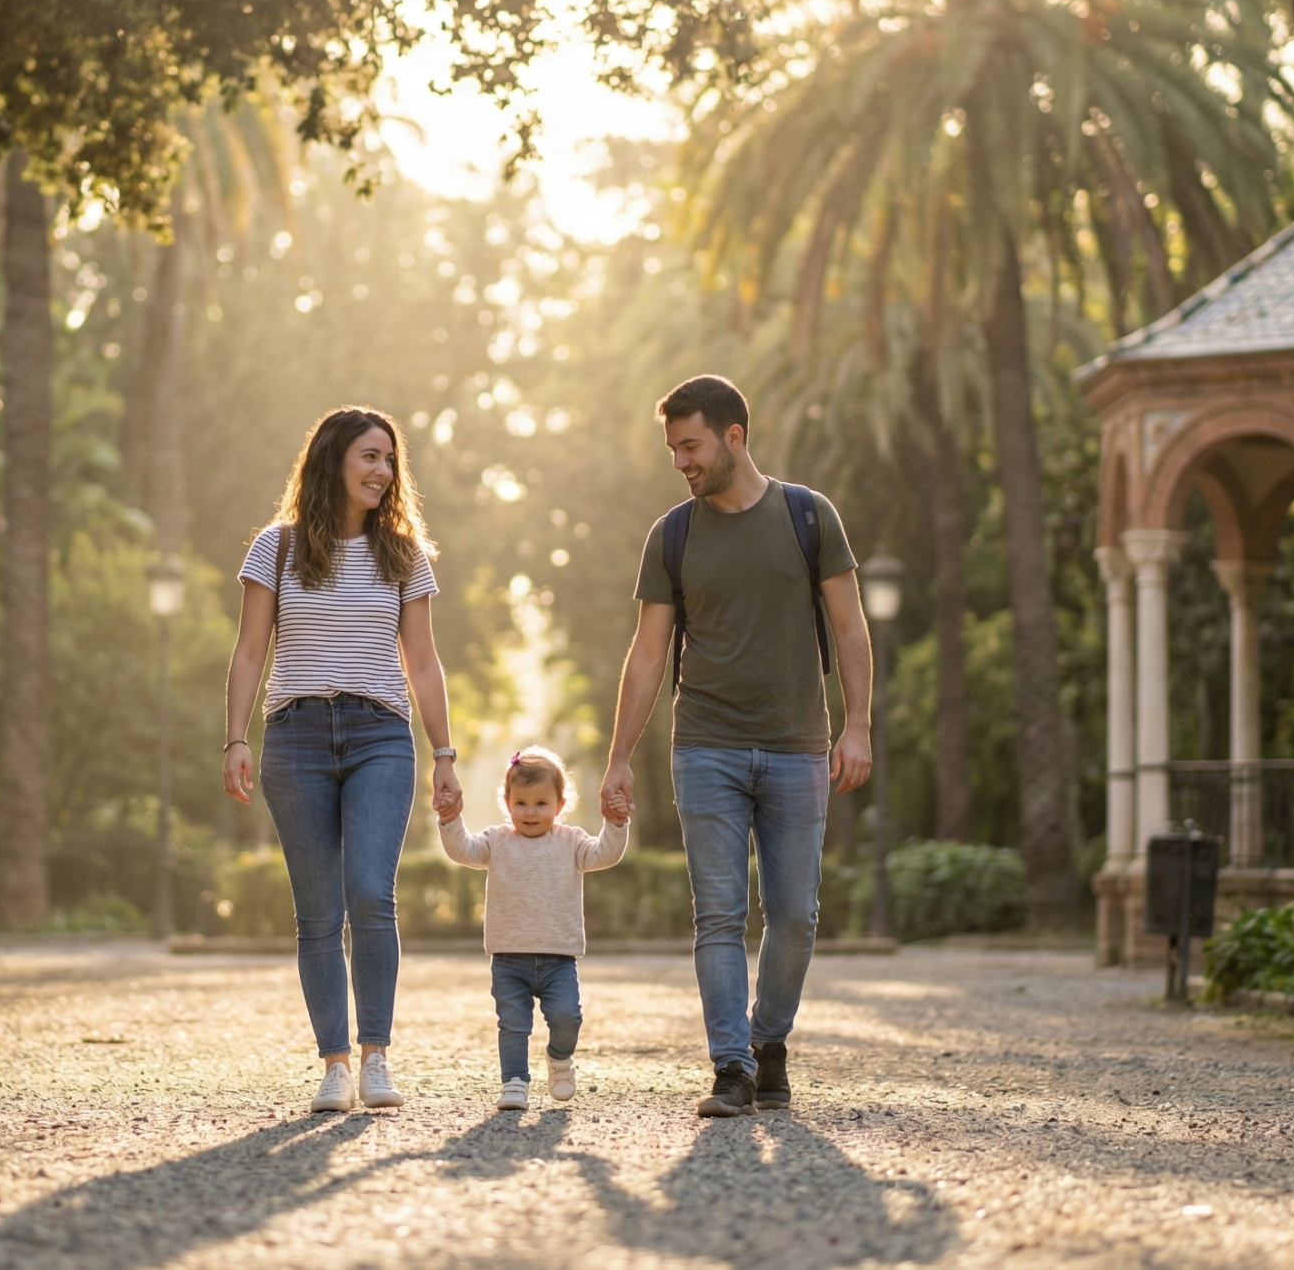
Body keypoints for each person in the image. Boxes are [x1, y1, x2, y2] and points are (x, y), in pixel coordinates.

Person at [598, 374, 873, 1118]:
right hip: (706, 747)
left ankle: (768, 1040)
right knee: (718, 914)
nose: (681, 461)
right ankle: (730, 1065)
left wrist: (857, 725)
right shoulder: (673, 535)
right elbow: (649, 654)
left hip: (796, 746)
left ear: (734, 436)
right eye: (673, 449)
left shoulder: (809, 516)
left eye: (691, 445)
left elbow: (849, 625)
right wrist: (620, 754)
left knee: (795, 914)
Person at [221, 406, 463, 1114]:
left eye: (390, 460)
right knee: (318, 910)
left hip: (379, 734)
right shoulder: (277, 547)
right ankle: (333, 1063)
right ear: (332, 460)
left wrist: (444, 753)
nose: (383, 471)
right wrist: (236, 738)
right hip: (294, 736)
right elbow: (248, 651)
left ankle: (376, 1055)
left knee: (370, 892)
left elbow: (422, 661)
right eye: (369, 456)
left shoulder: (404, 554)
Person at [435, 747, 630, 1111]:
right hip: (509, 957)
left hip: (559, 958)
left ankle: (559, 1058)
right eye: (521, 803)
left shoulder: (571, 842)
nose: (530, 812)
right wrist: (450, 820)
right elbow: (463, 850)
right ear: (507, 802)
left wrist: (615, 824)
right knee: (512, 1024)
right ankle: (514, 1082)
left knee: (566, 1017)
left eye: (541, 803)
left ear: (559, 804)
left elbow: (606, 854)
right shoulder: (496, 841)